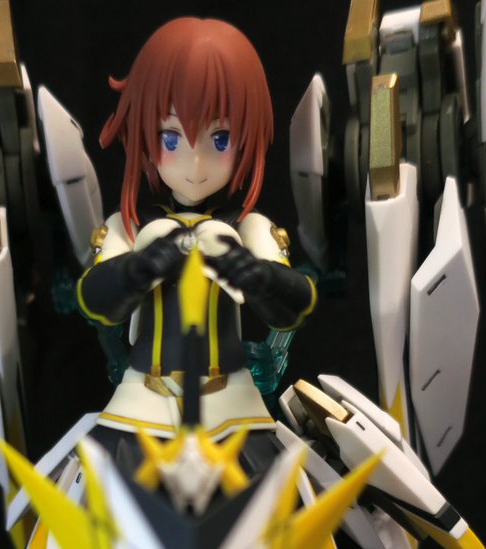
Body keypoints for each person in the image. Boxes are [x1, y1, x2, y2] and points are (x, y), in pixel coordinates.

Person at [77, 17, 317, 440]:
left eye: (220, 139)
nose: (196, 164)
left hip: (232, 403)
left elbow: (295, 304)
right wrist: (138, 269)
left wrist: (257, 277)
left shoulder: (247, 228)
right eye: (171, 139)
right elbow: (94, 299)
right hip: (142, 399)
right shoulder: (130, 227)